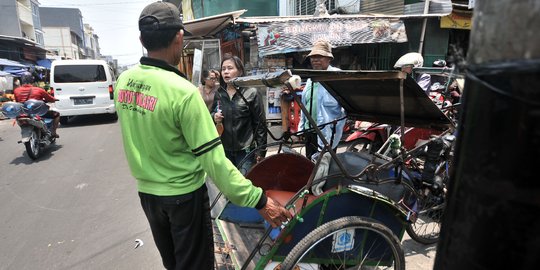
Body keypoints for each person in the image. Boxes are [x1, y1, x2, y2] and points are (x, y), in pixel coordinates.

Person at [113, 2, 291, 270]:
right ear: (179, 38)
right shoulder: (183, 92)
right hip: (183, 198)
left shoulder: (123, 82)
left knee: (173, 263)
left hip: (148, 196)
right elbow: (215, 163)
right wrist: (261, 200)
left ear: (141, 40)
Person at [211, 55, 267, 175]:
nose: (226, 72)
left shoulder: (251, 93)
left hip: (245, 150)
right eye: (223, 69)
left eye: (230, 68)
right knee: (229, 185)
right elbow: (211, 114)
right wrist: (214, 117)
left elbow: (260, 124)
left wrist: (261, 151)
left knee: (244, 184)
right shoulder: (219, 94)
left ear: (240, 71)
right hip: (225, 150)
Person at [297, 39, 346, 160]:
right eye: (313, 57)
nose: (315, 60)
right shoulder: (310, 80)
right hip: (310, 131)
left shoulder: (337, 76)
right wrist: (301, 128)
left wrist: (337, 126)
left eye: (320, 56)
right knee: (310, 166)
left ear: (329, 59)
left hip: (327, 131)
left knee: (325, 168)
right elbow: (305, 105)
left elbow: (346, 106)